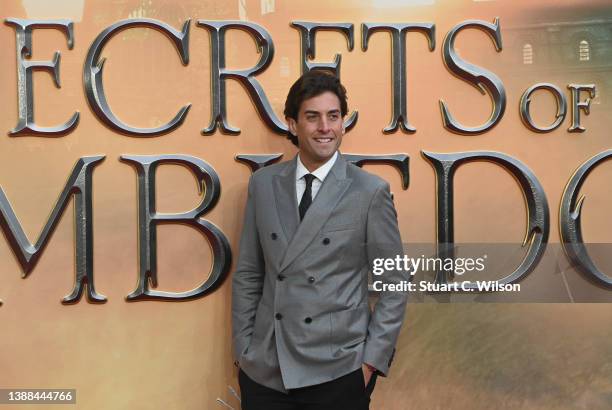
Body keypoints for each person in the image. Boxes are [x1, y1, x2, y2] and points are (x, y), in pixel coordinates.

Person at [232, 70, 408, 410]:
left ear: (342, 123)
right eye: (312, 117)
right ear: (292, 124)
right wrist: (244, 350)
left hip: (338, 370)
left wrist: (370, 362)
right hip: (267, 370)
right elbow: (249, 273)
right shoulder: (264, 185)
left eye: (333, 116)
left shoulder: (369, 192)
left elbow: (395, 281)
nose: (324, 127)